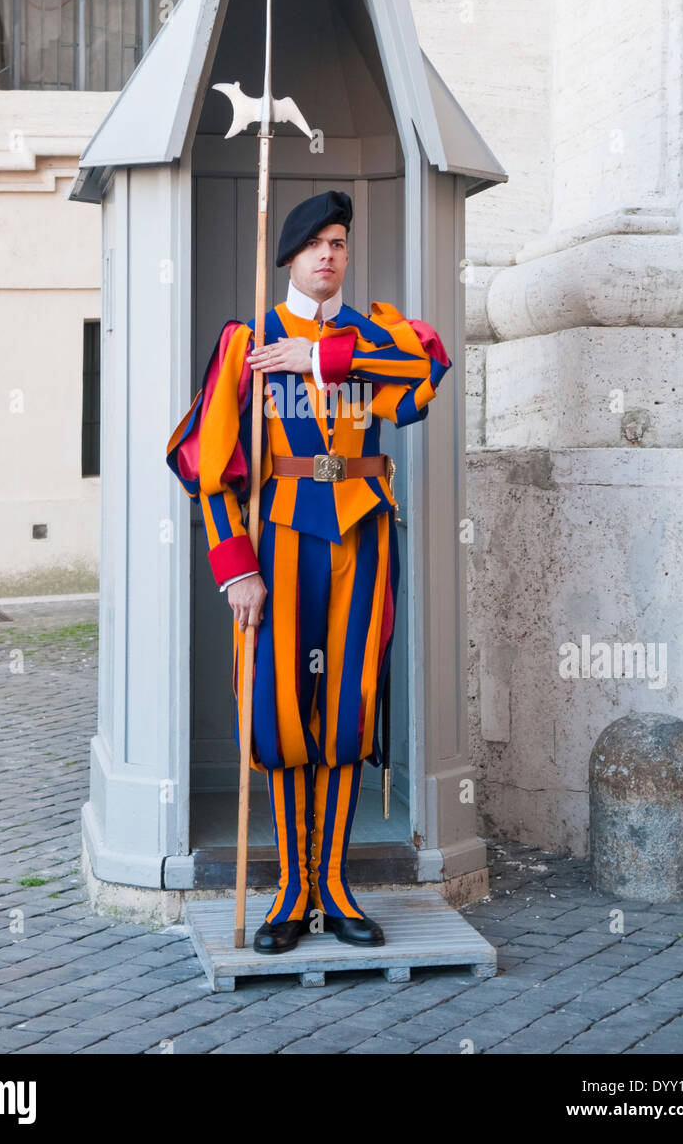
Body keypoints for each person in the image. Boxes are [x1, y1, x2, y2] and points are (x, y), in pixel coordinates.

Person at [166, 189, 451, 954]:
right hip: (281, 547)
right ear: (289, 256)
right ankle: (292, 893)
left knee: (348, 713)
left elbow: (425, 372)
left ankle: (334, 887)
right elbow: (211, 467)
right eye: (315, 244)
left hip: (360, 540)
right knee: (284, 714)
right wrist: (236, 571)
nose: (330, 255)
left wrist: (321, 354)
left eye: (340, 243)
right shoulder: (247, 342)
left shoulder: (371, 335)